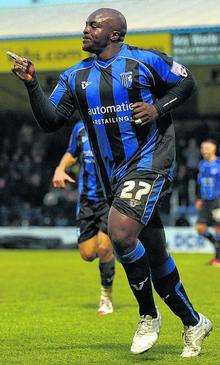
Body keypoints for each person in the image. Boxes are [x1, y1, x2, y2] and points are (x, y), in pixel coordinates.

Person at [10, 7, 212, 357]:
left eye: (94, 25)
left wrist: (159, 109)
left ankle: (148, 315)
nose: (85, 29)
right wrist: (31, 85)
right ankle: (194, 322)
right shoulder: (75, 76)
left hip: (150, 160)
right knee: (156, 253)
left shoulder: (145, 62)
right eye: (87, 24)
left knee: (118, 231)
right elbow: (50, 120)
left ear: (115, 34)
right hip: (110, 174)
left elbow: (187, 82)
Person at [52, 116, 115, 314]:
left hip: (110, 199)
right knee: (88, 254)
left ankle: (106, 297)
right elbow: (72, 152)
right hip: (87, 201)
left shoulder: (115, 125)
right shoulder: (80, 128)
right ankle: (115, 250)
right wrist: (60, 168)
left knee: (104, 247)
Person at [195, 139, 220, 266]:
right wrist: (199, 198)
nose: (203, 150)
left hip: (217, 200)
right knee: (200, 228)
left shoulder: (219, 164)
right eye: (202, 148)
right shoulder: (202, 164)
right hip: (205, 201)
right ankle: (217, 250)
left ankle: (218, 258)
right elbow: (199, 183)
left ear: (213, 148)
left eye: (206, 147)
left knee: (218, 229)